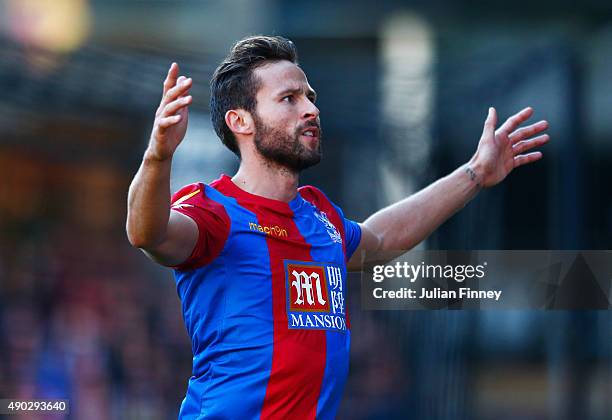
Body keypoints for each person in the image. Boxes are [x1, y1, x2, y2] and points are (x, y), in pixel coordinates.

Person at [126, 35, 549, 419]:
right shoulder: (214, 210)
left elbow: (381, 238)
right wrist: (158, 156)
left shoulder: (318, 215)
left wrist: (475, 172)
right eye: (289, 99)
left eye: (310, 97)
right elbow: (148, 234)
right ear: (241, 122)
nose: (311, 109)